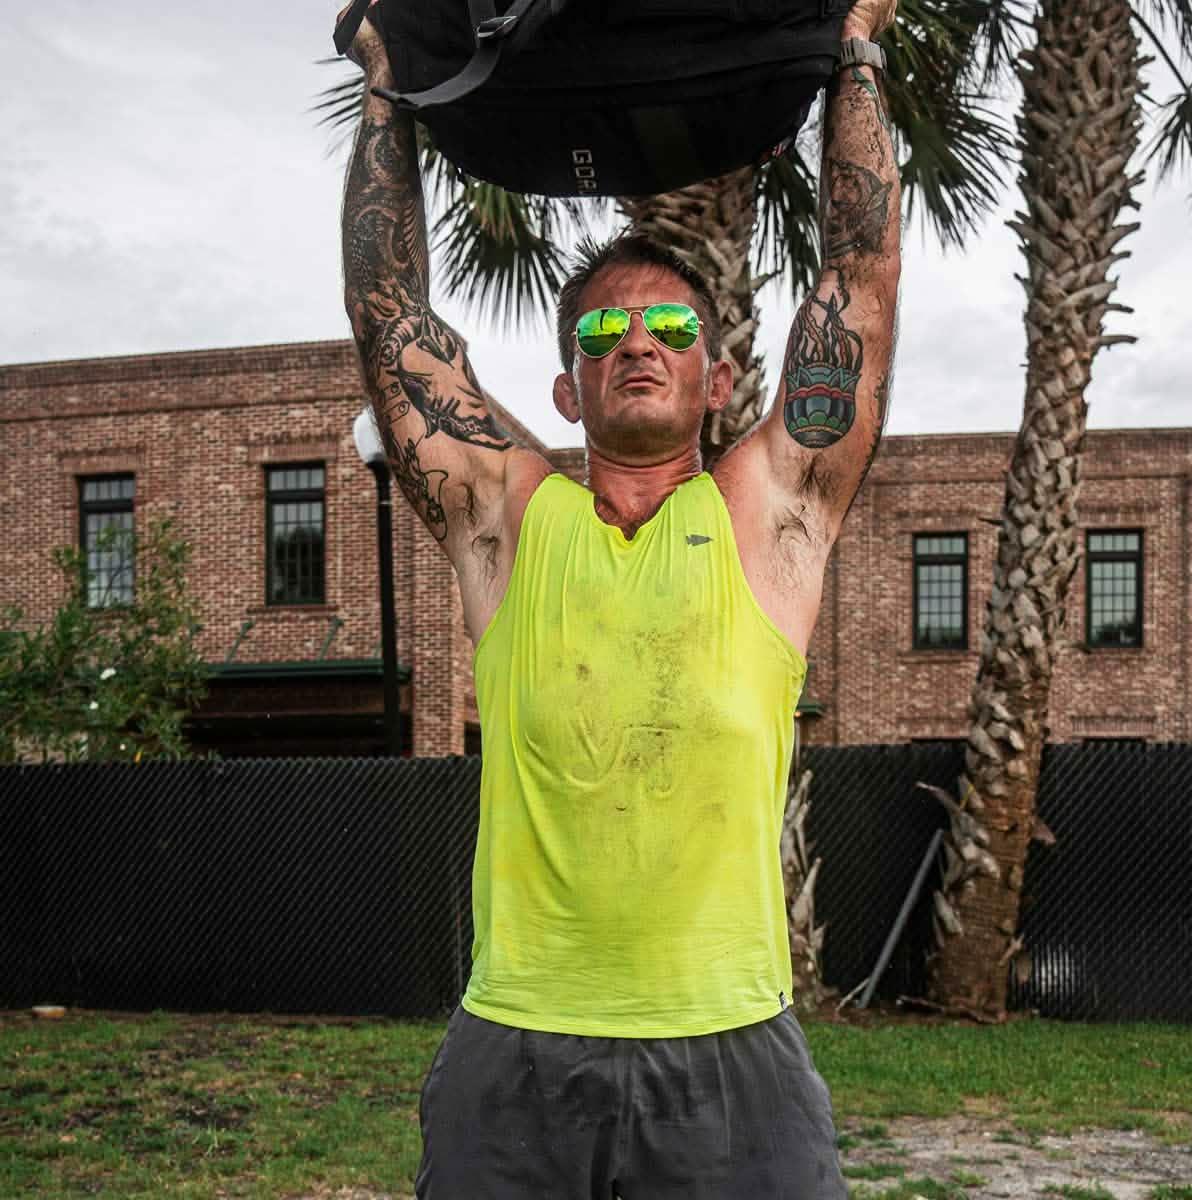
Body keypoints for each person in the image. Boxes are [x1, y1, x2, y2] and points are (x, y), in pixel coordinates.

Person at [338, 0, 899, 1194]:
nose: (635, 339)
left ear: (718, 375)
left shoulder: (771, 513)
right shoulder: (506, 515)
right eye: (603, 326)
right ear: (569, 379)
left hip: (734, 1054)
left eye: (667, 324)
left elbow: (858, 279)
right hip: (516, 1053)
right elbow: (393, 323)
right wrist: (386, 87)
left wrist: (854, 47)